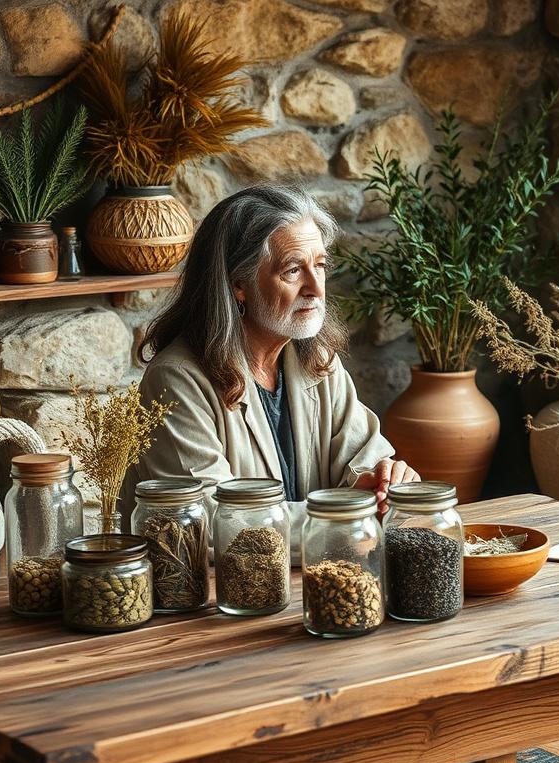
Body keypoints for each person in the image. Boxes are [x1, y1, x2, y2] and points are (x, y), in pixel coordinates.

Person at [118, 184, 418, 537]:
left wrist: (386, 481)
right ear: (238, 285)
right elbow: (214, 521)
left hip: (311, 574)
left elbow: (365, 463)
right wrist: (349, 514)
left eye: (319, 266)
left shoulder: (318, 362)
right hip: (216, 588)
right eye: (292, 270)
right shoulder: (175, 380)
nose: (316, 288)